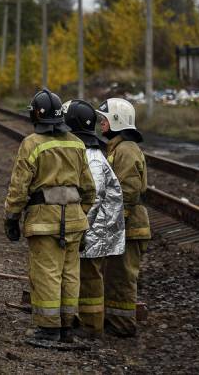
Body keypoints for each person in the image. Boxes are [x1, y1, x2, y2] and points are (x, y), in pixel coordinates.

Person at [4, 89, 96, 346]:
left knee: (47, 273)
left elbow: (19, 187)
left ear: (35, 115)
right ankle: (66, 327)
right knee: (69, 273)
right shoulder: (77, 143)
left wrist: (11, 217)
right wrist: (82, 215)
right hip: (75, 220)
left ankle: (47, 329)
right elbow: (89, 188)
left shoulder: (32, 144)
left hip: (44, 221)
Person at [62, 99, 125, 337]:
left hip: (93, 229)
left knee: (89, 278)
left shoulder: (92, 156)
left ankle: (91, 327)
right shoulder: (85, 151)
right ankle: (82, 321)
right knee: (81, 275)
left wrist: (82, 228)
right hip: (89, 226)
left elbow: (94, 196)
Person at [95, 98, 150, 337]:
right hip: (123, 225)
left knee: (122, 278)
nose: (101, 123)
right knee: (114, 275)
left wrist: (116, 223)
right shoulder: (117, 147)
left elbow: (127, 189)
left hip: (129, 226)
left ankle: (123, 326)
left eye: (104, 119)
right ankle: (114, 321)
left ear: (117, 120)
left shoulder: (126, 150)